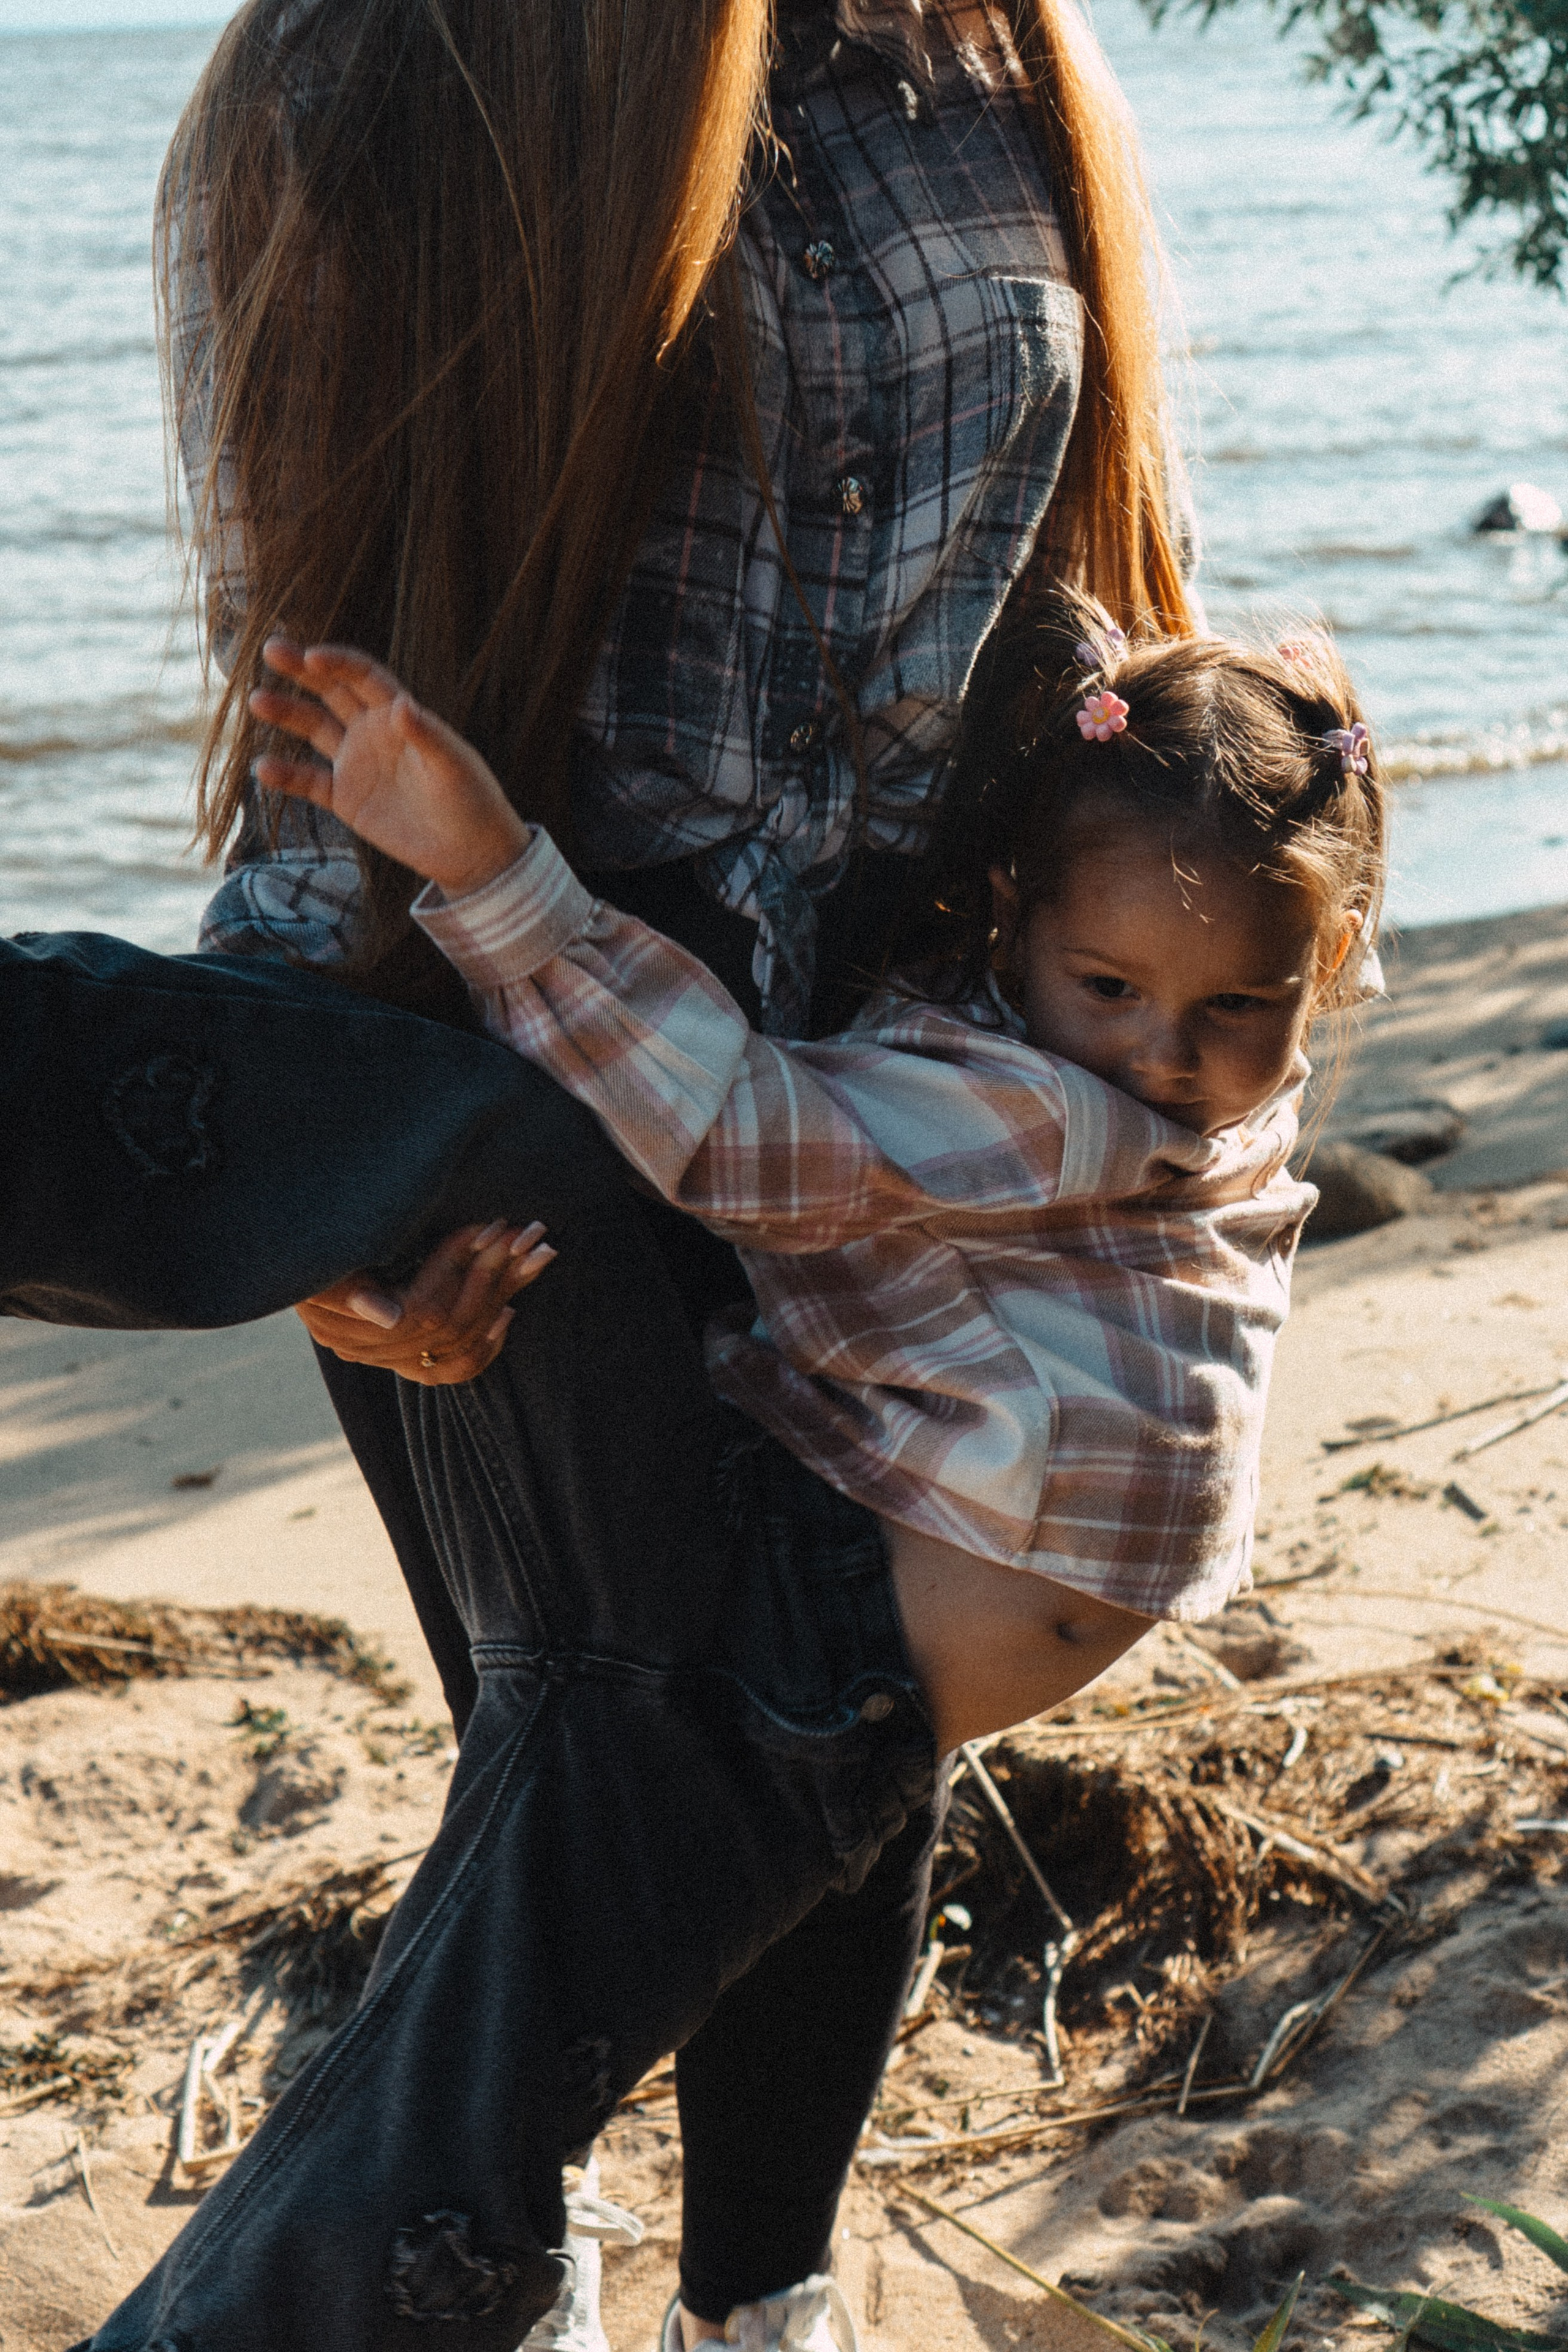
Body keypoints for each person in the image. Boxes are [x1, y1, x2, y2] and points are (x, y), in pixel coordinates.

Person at [139, 1, 1202, 2345]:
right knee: (624, 1758)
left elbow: (1098, 613)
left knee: (840, 1732)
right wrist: (317, 1196)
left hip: (903, 1066)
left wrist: (1198, 1007)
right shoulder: (389, 68)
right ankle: (502, 2270)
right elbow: (311, 662)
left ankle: (768, 2307)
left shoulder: (998, 63)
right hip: (531, 1077)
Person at [75, 601, 1386, 2352]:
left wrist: (490, 869)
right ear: (1017, 919)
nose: (1168, 1050)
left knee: (446, 2077)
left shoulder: (1061, 1105)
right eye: (1116, 991)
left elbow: (737, 1133)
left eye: (1243, 1006)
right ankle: (716, 2314)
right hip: (856, 1644)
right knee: (473, 2045)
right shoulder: (1186, 1086)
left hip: (810, 1636)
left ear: (1332, 961)